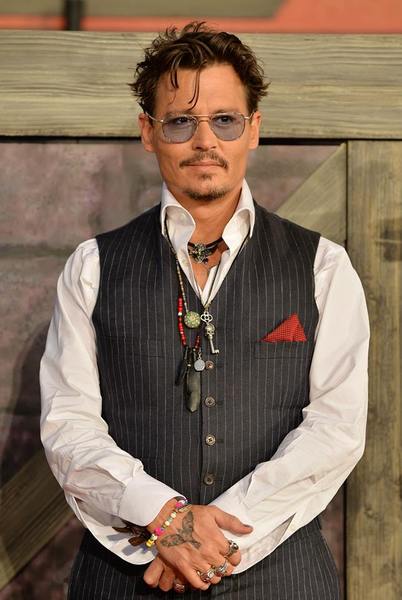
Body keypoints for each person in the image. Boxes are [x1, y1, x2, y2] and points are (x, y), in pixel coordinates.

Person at [40, 21, 369, 599]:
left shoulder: (323, 265)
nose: (204, 141)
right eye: (180, 122)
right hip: (125, 580)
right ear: (148, 131)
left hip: (281, 581)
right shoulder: (92, 266)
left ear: (253, 129)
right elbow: (68, 426)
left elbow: (335, 430)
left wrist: (211, 539)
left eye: (225, 120)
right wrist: (164, 518)